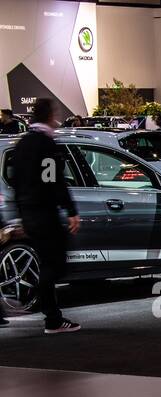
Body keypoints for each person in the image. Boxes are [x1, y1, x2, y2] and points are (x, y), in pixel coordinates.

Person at [11, 99, 81, 334]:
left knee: (47, 262)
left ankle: (52, 316)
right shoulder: (46, 144)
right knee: (55, 263)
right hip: (45, 213)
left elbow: (16, 183)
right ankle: (51, 316)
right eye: (55, 113)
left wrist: (21, 215)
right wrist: (70, 211)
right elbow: (54, 181)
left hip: (29, 212)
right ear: (49, 115)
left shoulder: (21, 145)